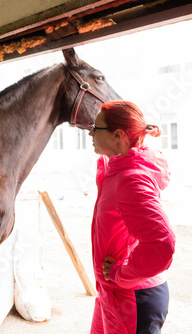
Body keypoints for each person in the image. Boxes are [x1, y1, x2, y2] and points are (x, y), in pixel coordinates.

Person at [88, 100, 176, 334]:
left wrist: (121, 273)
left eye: (96, 128)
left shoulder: (131, 178)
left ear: (118, 134)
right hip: (114, 291)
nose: (90, 133)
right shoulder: (117, 168)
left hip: (131, 296)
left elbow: (161, 244)